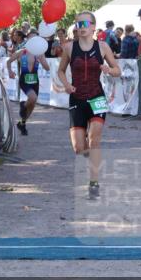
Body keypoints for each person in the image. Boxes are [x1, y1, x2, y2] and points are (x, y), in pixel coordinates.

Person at [57, 11, 121, 200]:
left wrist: (109, 70)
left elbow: (117, 70)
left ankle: (94, 183)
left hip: (97, 97)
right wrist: (67, 85)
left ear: (93, 26)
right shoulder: (69, 48)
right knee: (79, 148)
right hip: (77, 98)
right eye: (78, 24)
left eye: (85, 23)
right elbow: (61, 71)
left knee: (94, 139)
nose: (81, 27)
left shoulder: (102, 47)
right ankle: (90, 155)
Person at [7, 31, 50, 136]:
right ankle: (23, 106)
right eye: (31, 39)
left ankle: (22, 123)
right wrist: (10, 71)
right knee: (33, 98)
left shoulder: (39, 53)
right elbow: (8, 61)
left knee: (32, 105)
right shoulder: (22, 52)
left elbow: (47, 68)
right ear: (28, 40)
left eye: (35, 39)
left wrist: (41, 59)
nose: (33, 41)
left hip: (35, 81)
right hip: (24, 80)